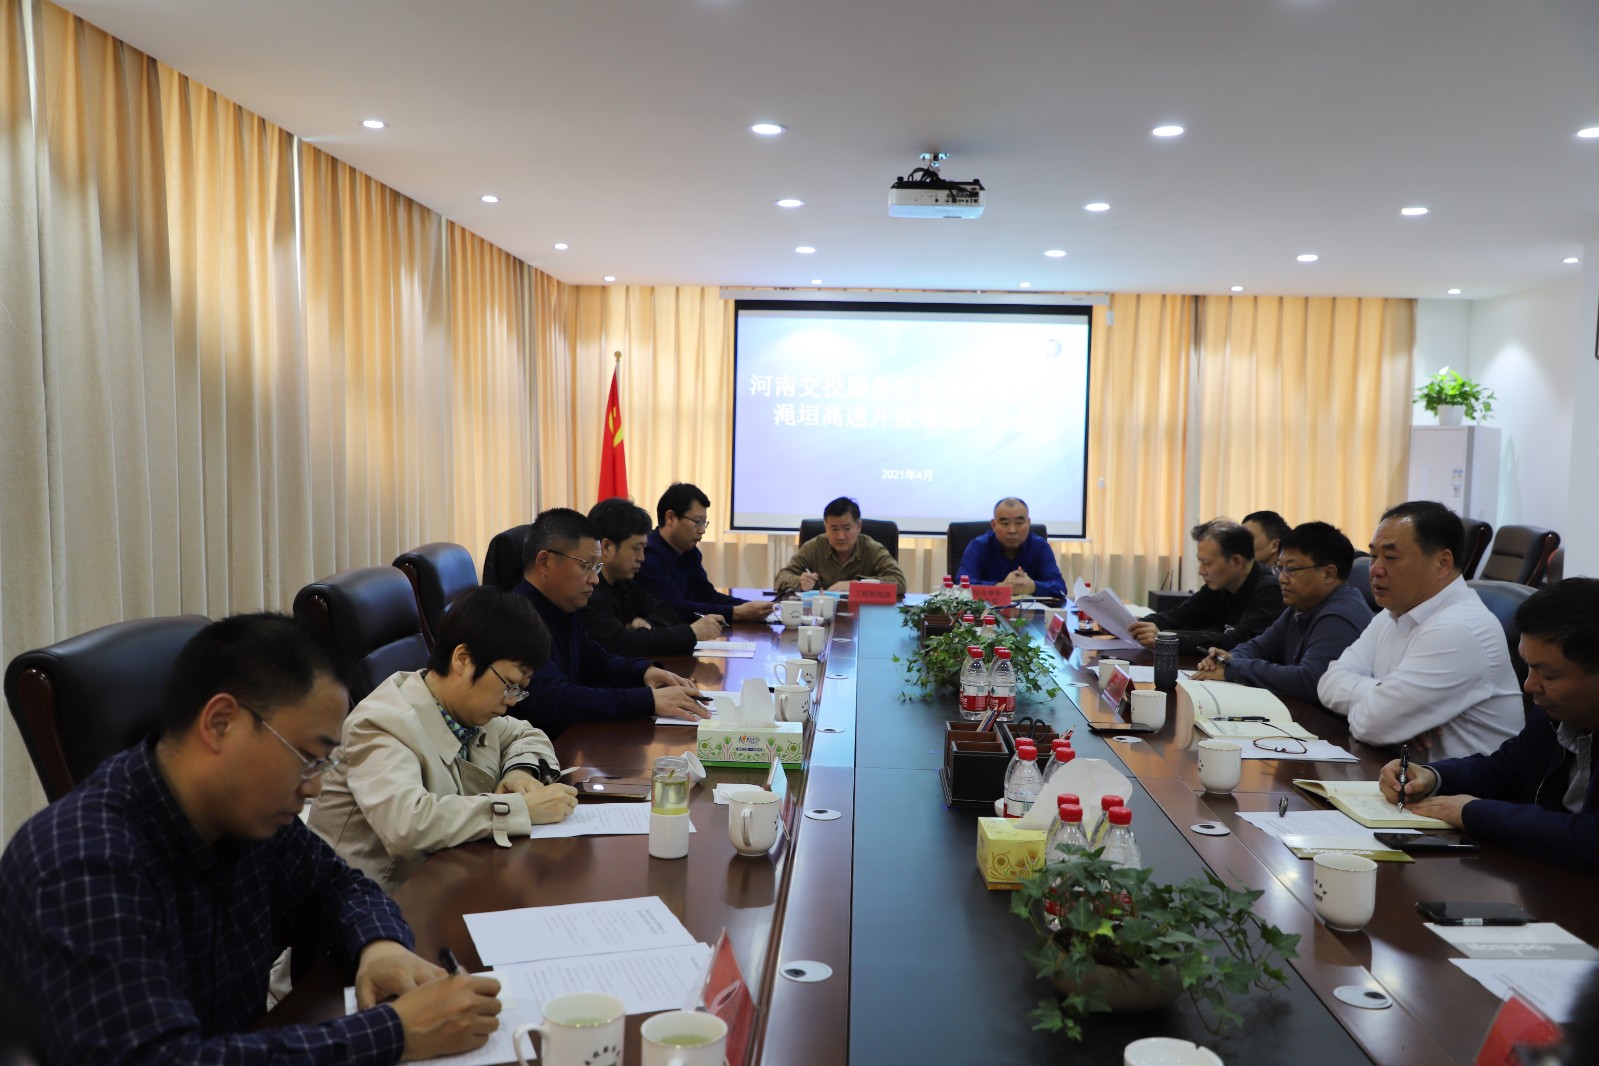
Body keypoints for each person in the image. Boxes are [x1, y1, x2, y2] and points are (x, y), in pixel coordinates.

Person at [0, 613, 502, 1064]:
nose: (315, 787)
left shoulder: (247, 816)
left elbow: (338, 885)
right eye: (309, 757)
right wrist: (396, 1032)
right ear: (221, 723)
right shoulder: (82, 864)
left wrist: (379, 945)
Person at [309, 587, 579, 891]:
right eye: (509, 684)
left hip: (444, 882)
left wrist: (520, 772)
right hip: (366, 899)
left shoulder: (470, 711)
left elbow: (527, 734)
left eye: (519, 690)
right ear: (463, 659)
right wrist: (520, 808)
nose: (512, 700)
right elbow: (407, 826)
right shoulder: (381, 723)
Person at [1379, 578, 1599, 871]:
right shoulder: (1554, 714)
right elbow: (1506, 768)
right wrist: (1432, 776)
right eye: (1528, 666)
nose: (1530, 685)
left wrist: (1472, 812)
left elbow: (1592, 839)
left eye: (1549, 675)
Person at [1318, 500, 1522, 760]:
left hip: (1459, 784)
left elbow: (1372, 725)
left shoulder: (1459, 630)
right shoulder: (1392, 614)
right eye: (1373, 556)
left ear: (1442, 562)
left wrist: (1389, 712)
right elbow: (1328, 682)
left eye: (1391, 557)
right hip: (1398, 770)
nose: (1375, 569)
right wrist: (1385, 697)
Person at [513, 507, 708, 735]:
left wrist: (644, 672)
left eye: (597, 567)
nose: (595, 580)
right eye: (586, 566)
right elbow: (555, 701)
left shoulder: (561, 608)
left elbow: (599, 661)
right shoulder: (516, 620)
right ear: (544, 562)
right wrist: (648, 700)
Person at [1191, 521, 1374, 705]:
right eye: (1280, 568)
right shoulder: (1301, 605)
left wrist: (1234, 668)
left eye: (1291, 570)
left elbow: (1310, 680)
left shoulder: (1340, 615)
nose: (1282, 578)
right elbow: (1259, 646)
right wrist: (1228, 659)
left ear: (1329, 574)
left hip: (1327, 720)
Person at [582, 497, 723, 656]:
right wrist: (691, 633)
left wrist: (648, 626)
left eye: (644, 549)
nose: (642, 558)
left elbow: (667, 612)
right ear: (606, 547)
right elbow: (621, 643)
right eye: (636, 549)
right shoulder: (587, 591)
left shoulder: (624, 582)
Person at [1129, 520, 1284, 655]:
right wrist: (1136, 626)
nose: (1201, 571)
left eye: (1207, 563)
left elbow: (1238, 641)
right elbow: (1180, 617)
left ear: (1236, 562)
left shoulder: (1270, 590)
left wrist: (1165, 640)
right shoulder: (1219, 586)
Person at [636, 482, 772, 623]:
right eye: (697, 521)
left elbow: (706, 595)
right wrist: (736, 612)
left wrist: (749, 606)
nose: (702, 530)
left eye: (704, 523)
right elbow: (673, 608)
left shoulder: (691, 552)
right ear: (670, 518)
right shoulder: (648, 555)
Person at [774, 497, 907, 595]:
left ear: (859, 526)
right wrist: (799, 581)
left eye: (847, 528)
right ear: (825, 527)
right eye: (834, 529)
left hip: (863, 614)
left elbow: (899, 582)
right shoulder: (813, 547)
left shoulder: (872, 549)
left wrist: (855, 586)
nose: (841, 536)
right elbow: (781, 577)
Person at [955, 497, 1066, 598]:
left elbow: (1060, 589)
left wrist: (1032, 587)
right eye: (1005, 523)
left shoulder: (1040, 546)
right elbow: (960, 586)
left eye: (1019, 523)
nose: (1012, 530)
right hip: (987, 612)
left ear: (1028, 523)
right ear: (993, 525)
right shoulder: (978, 546)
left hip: (1030, 612)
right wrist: (1000, 587)